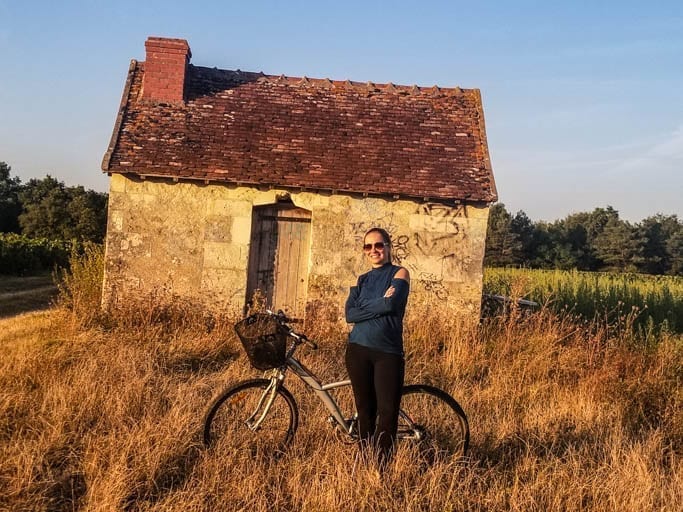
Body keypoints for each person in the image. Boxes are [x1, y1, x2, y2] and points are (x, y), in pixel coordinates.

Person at [345, 227, 410, 469]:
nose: (374, 250)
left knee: (387, 412)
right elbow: (350, 315)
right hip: (357, 350)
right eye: (368, 246)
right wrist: (379, 302)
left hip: (388, 353)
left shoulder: (400, 273)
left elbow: (392, 304)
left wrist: (371, 304)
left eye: (379, 245)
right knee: (365, 411)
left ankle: (381, 467)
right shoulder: (362, 279)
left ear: (389, 247)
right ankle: (364, 460)